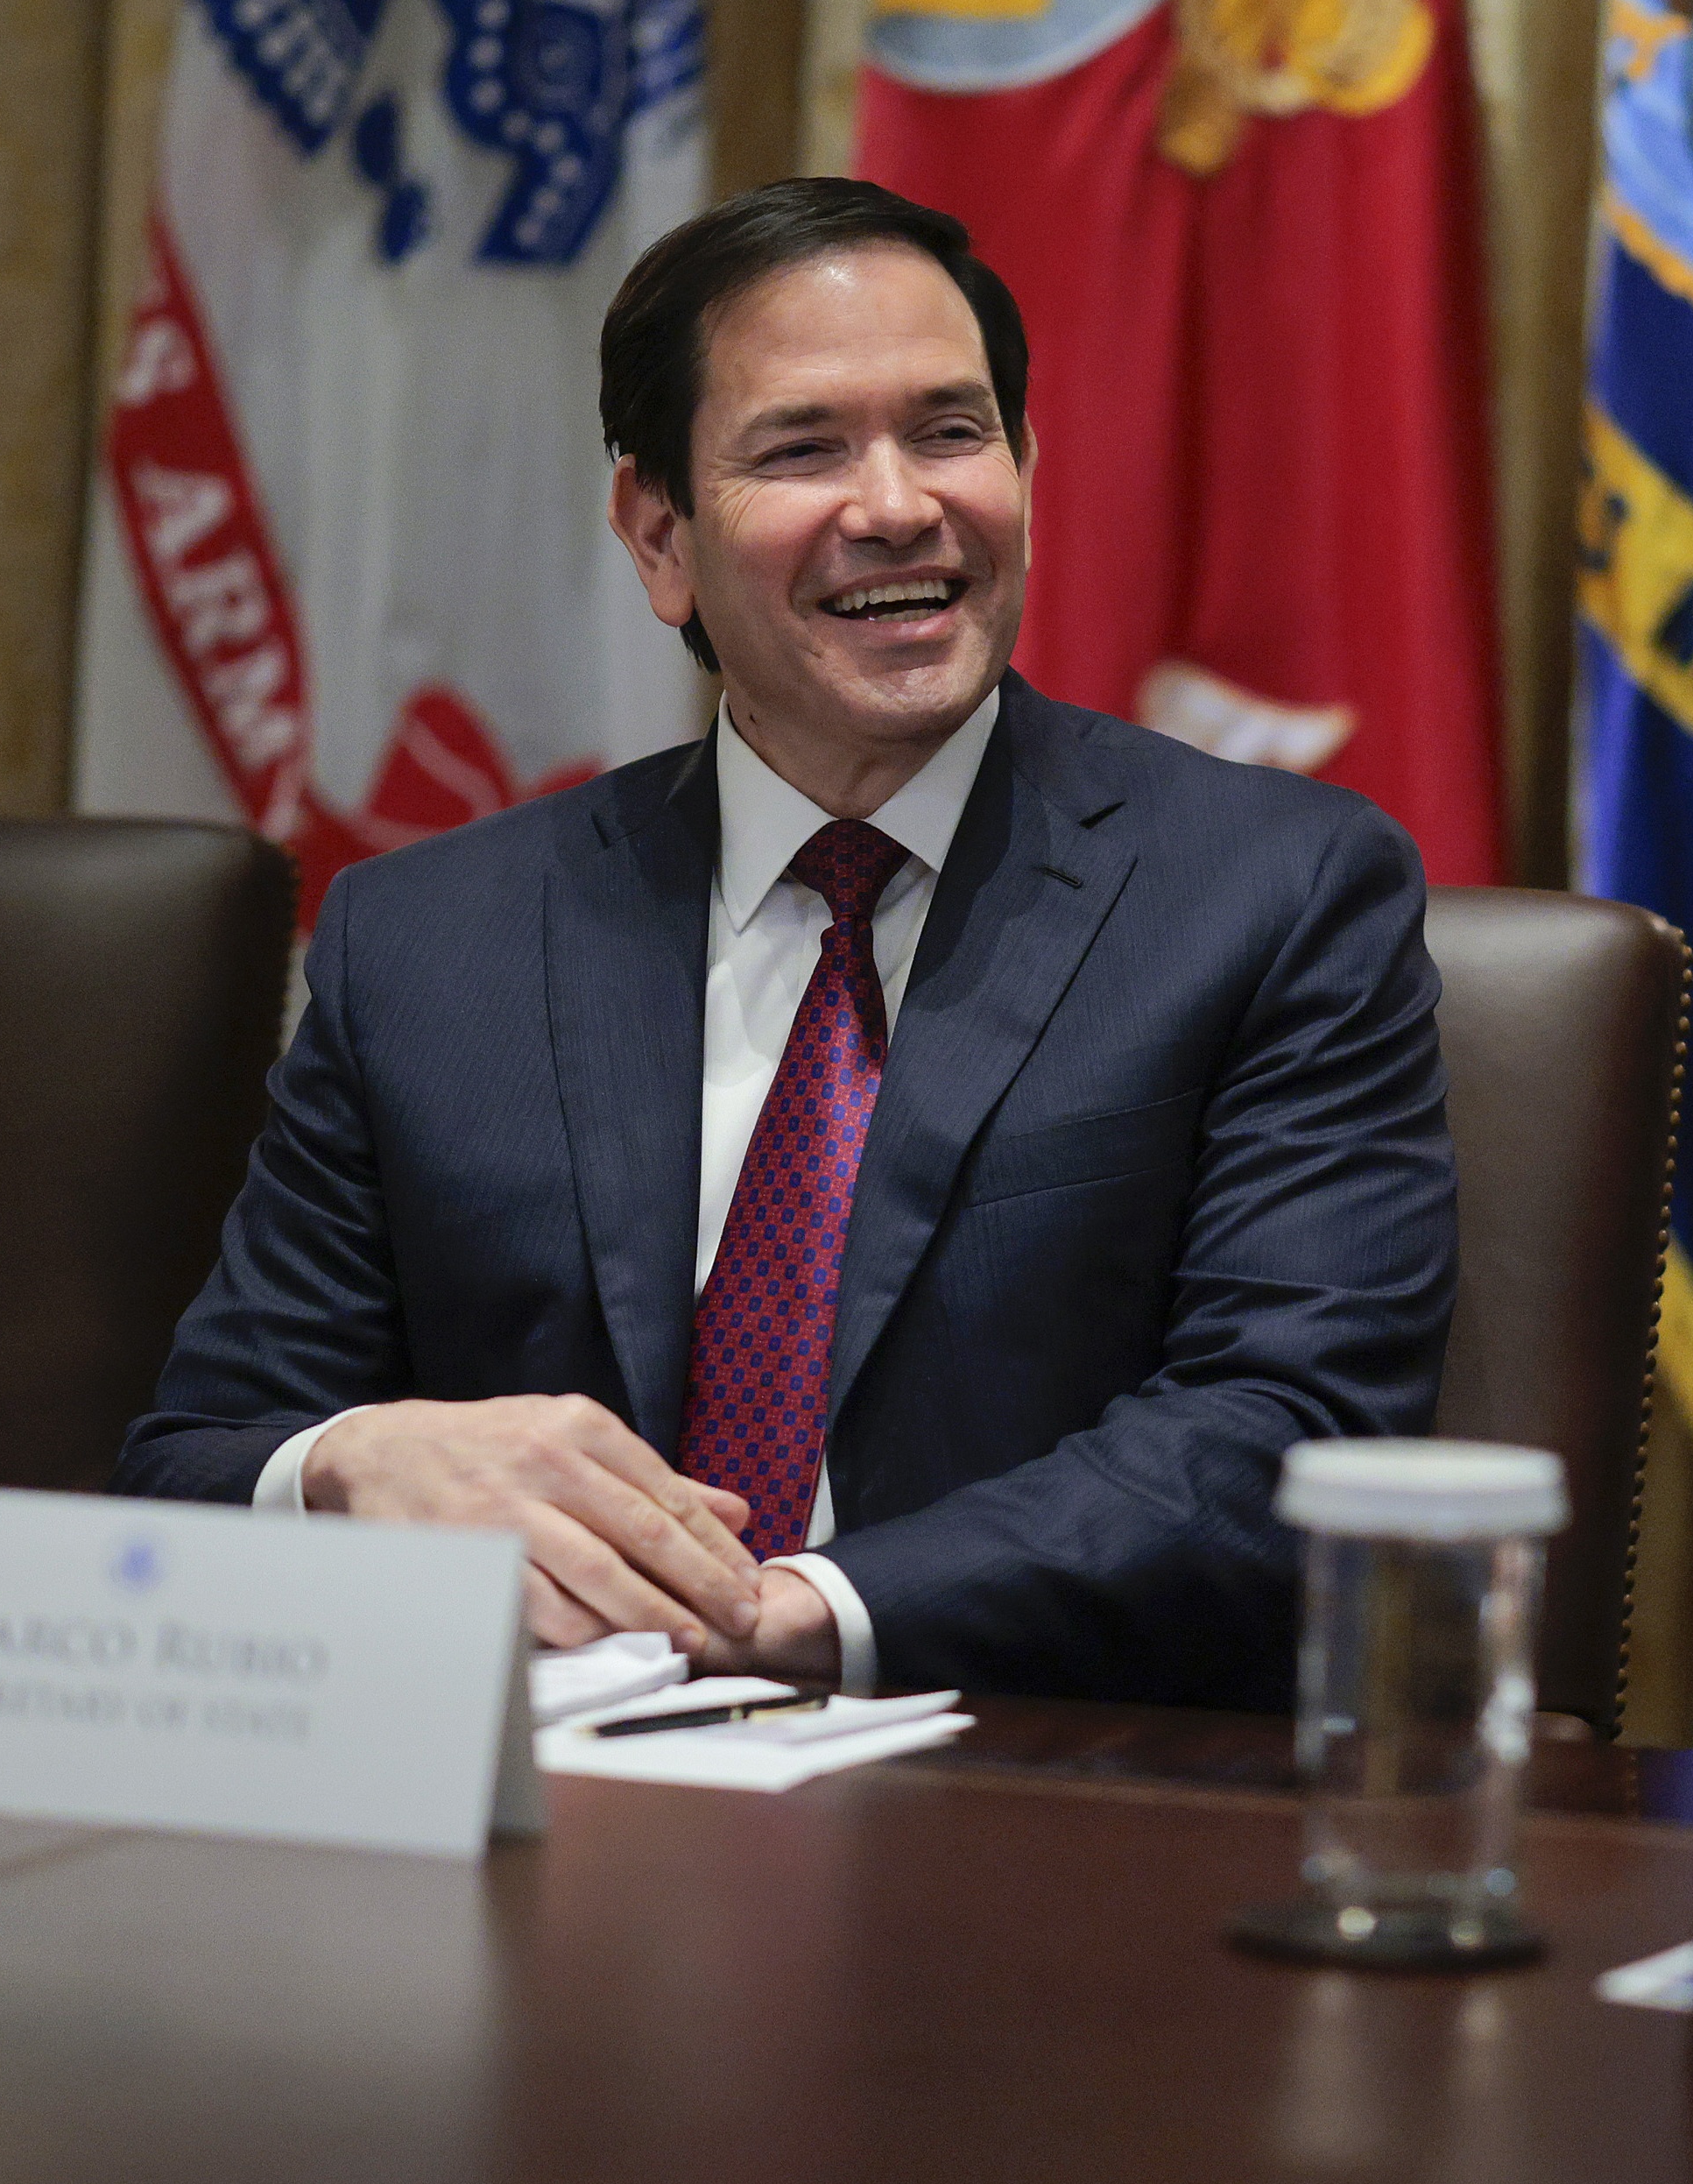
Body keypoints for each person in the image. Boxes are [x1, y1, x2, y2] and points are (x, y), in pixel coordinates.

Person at [120, 175, 1455, 1707]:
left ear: (1027, 467)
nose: (897, 504)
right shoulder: (427, 943)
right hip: (531, 1816)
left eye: (953, 432)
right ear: (656, 529)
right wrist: (355, 1461)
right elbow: (192, 1466)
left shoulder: (1274, 894)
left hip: (1022, 1800)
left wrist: (802, 1608)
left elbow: (1290, 1428)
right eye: (802, 448)